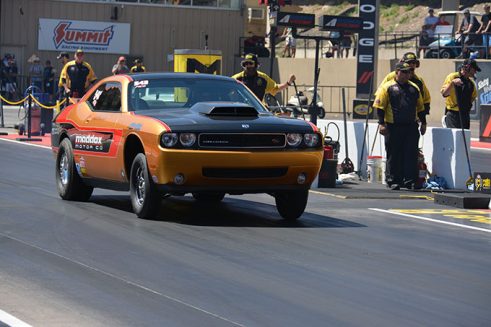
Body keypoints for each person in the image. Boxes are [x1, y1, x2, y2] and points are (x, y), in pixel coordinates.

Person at [373, 62, 426, 190]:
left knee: (411, 154)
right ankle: (393, 180)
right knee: (393, 154)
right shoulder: (387, 87)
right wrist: (381, 124)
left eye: (408, 72)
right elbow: (379, 107)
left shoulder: (414, 88)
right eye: (403, 72)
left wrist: (423, 123)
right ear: (397, 72)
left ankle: (409, 181)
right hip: (393, 126)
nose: (406, 74)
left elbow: (420, 108)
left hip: (411, 126)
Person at [378, 52, 431, 116]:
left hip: (412, 119)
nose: (411, 65)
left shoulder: (419, 81)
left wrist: (423, 116)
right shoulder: (391, 77)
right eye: (408, 63)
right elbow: (379, 94)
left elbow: (426, 99)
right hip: (392, 120)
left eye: (414, 63)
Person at [441, 59, 479, 129]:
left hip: (465, 115)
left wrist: (465, 105)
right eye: (474, 69)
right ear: (468, 68)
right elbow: (444, 94)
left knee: (464, 139)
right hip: (453, 115)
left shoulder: (471, 83)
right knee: (454, 139)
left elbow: (473, 97)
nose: (475, 72)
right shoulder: (452, 77)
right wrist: (452, 83)